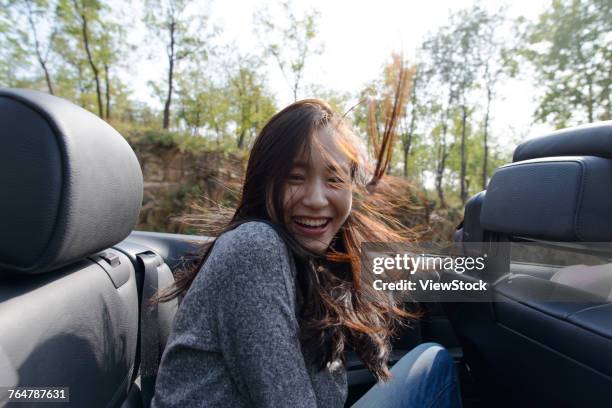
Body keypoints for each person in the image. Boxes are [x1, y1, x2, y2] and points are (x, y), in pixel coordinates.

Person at [151, 99, 462, 408]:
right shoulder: (253, 247)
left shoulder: (312, 261)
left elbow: (409, 270)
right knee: (434, 368)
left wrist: (499, 269)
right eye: (295, 178)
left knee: (432, 363)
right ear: (264, 183)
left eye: (335, 179)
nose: (315, 199)